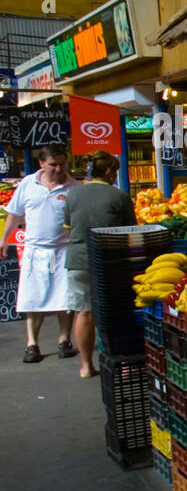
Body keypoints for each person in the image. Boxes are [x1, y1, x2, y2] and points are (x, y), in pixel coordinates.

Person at [1, 146, 78, 363]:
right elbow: (14, 214)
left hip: (64, 249)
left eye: (62, 163)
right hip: (35, 250)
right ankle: (32, 344)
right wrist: (4, 239)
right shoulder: (28, 184)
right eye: (53, 164)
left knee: (65, 298)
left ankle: (64, 340)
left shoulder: (74, 187)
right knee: (32, 299)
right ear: (42, 164)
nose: (58, 168)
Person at [64, 151, 135, 377]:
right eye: (114, 170)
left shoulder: (72, 196)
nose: (116, 175)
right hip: (110, 261)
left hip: (78, 260)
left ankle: (86, 366)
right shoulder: (119, 197)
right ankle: (123, 365)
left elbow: (68, 229)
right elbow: (130, 232)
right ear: (107, 171)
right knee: (116, 313)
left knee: (83, 313)